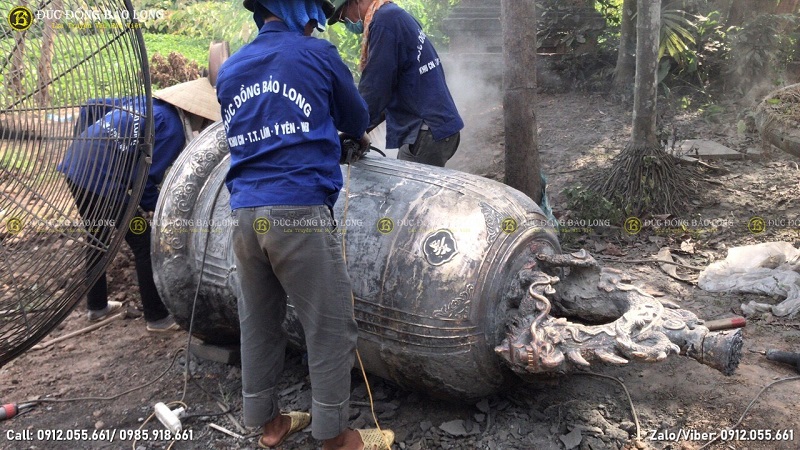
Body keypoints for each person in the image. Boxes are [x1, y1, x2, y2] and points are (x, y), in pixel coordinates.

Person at [216, 0, 394, 448]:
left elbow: (248, 131)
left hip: (244, 216)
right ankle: (335, 436)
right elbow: (356, 118)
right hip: (297, 214)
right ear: (299, 10)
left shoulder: (232, 68)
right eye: (315, 13)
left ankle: (268, 423)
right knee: (330, 325)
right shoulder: (318, 55)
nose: (318, 24)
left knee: (258, 320)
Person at [58, 78, 220, 332]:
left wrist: (88, 144)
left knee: (97, 236)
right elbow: (144, 181)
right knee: (143, 244)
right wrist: (163, 208)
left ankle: (97, 307)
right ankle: (157, 318)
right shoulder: (173, 128)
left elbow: (91, 105)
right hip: (103, 181)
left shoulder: (143, 103)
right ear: (194, 114)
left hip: (76, 166)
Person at [329, 0, 464, 167]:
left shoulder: (384, 22)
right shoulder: (395, 15)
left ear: (355, 2)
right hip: (437, 127)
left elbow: (375, 87)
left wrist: (353, 128)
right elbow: (388, 87)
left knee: (410, 191)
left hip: (424, 130)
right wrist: (360, 130)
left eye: (343, 17)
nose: (345, 23)